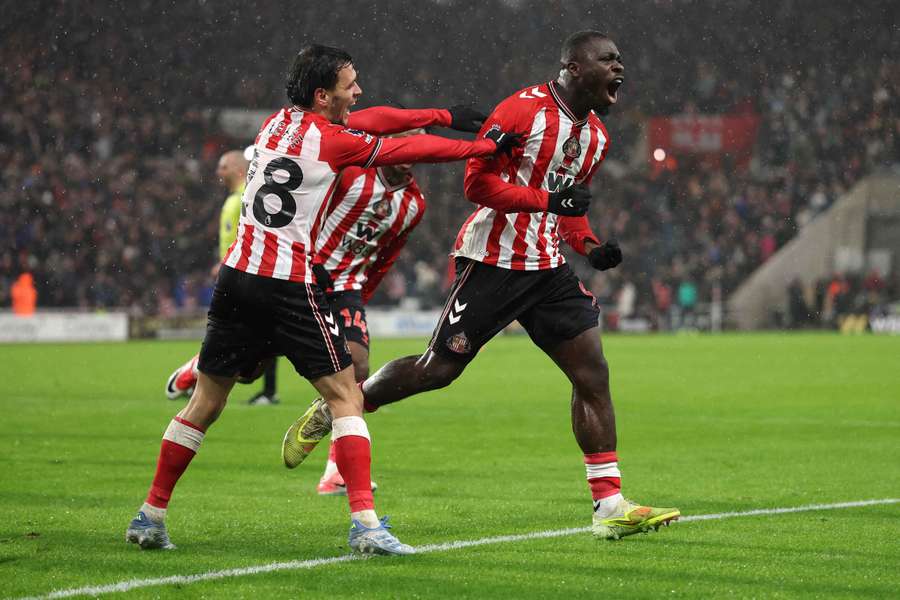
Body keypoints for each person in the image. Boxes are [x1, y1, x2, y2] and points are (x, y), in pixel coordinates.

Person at [282, 31, 680, 541]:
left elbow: (569, 205)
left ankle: (609, 505)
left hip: (547, 268)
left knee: (592, 372)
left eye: (620, 59)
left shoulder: (597, 137)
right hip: (493, 260)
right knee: (436, 371)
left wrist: (588, 245)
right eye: (608, 59)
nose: (619, 67)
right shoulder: (521, 110)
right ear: (575, 67)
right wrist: (547, 203)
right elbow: (477, 185)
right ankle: (345, 402)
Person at [125, 43, 519, 556]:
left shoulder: (274, 125)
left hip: (236, 277)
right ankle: (366, 526)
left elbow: (378, 121)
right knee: (346, 397)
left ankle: (150, 515)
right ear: (322, 95)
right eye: (349, 86)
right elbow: (401, 149)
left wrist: (441, 115)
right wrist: (483, 148)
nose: (357, 93)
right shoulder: (335, 144)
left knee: (206, 403)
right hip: (288, 283)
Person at [312, 128, 429, 495]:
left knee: (358, 367)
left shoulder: (414, 204)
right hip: (305, 275)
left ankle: (335, 471)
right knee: (252, 363)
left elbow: (386, 255)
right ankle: (199, 367)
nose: (411, 154)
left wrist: (362, 294)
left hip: (347, 287)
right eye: (405, 143)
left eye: (419, 147)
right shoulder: (352, 172)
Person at [165, 150, 282, 406]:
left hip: (243, 273)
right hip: (242, 274)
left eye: (223, 167)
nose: (219, 172)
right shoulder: (243, 198)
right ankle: (199, 373)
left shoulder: (241, 199)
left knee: (259, 335)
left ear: (239, 169)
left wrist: (225, 263)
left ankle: (200, 372)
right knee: (257, 336)